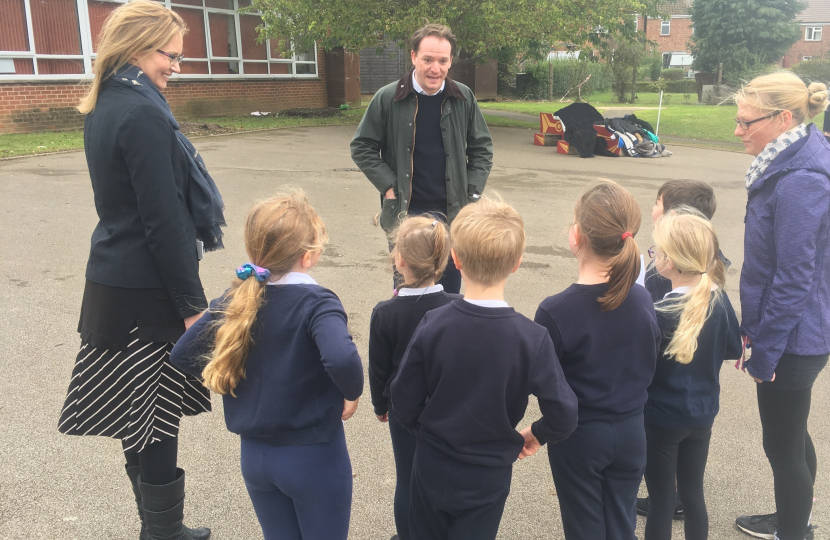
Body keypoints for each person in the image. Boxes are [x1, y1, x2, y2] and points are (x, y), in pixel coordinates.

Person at [57, 2, 225, 539]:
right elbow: (166, 222)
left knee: (138, 409)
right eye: (169, 54)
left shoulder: (107, 101)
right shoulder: (144, 112)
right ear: (136, 47)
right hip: (145, 289)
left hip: (112, 279)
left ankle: (157, 529)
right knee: (154, 415)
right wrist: (193, 306)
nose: (176, 65)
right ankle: (164, 532)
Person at [170, 193, 364, 540]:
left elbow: (183, 353)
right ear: (308, 256)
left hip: (255, 456)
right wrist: (351, 391)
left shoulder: (235, 298)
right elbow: (341, 356)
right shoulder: (317, 302)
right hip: (313, 455)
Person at [391, 197, 578, 540]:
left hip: (433, 460)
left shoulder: (434, 323)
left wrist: (427, 430)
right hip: (488, 471)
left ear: (456, 260)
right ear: (517, 263)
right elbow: (564, 413)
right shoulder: (532, 339)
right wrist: (536, 433)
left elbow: (402, 398)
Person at [522, 181, 661, 540]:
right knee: (621, 525)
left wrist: (538, 432)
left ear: (577, 235)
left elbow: (544, 386)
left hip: (581, 437)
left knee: (584, 529)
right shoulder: (642, 299)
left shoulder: (556, 311)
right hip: (632, 431)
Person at [732, 72, 830, 540]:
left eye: (746, 122)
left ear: (783, 118)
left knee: (782, 444)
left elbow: (795, 276)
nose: (738, 131)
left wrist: (765, 349)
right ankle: (796, 518)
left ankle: (794, 531)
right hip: (793, 328)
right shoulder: (791, 159)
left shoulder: (800, 179)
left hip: (794, 335)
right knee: (793, 436)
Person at [351, 23, 494, 294]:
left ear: (451, 61)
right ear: (414, 56)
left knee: (449, 294)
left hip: (452, 215)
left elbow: (482, 148)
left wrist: (472, 194)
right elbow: (362, 146)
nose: (435, 68)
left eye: (442, 61)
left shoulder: (463, 97)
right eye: (428, 59)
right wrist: (389, 187)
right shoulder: (388, 98)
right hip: (405, 214)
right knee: (408, 294)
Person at [643, 210, 742, 540]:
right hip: (701, 415)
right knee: (693, 495)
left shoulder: (658, 313)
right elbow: (732, 348)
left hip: (660, 419)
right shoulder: (718, 299)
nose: (653, 256)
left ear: (668, 261)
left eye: (656, 251)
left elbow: (641, 367)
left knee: (661, 502)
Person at [368, 216, 461, 540]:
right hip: (447, 407)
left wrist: (380, 404)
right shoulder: (457, 306)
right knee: (444, 474)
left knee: (407, 478)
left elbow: (379, 369)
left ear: (400, 260)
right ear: (444, 260)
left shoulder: (385, 312)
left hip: (402, 410)